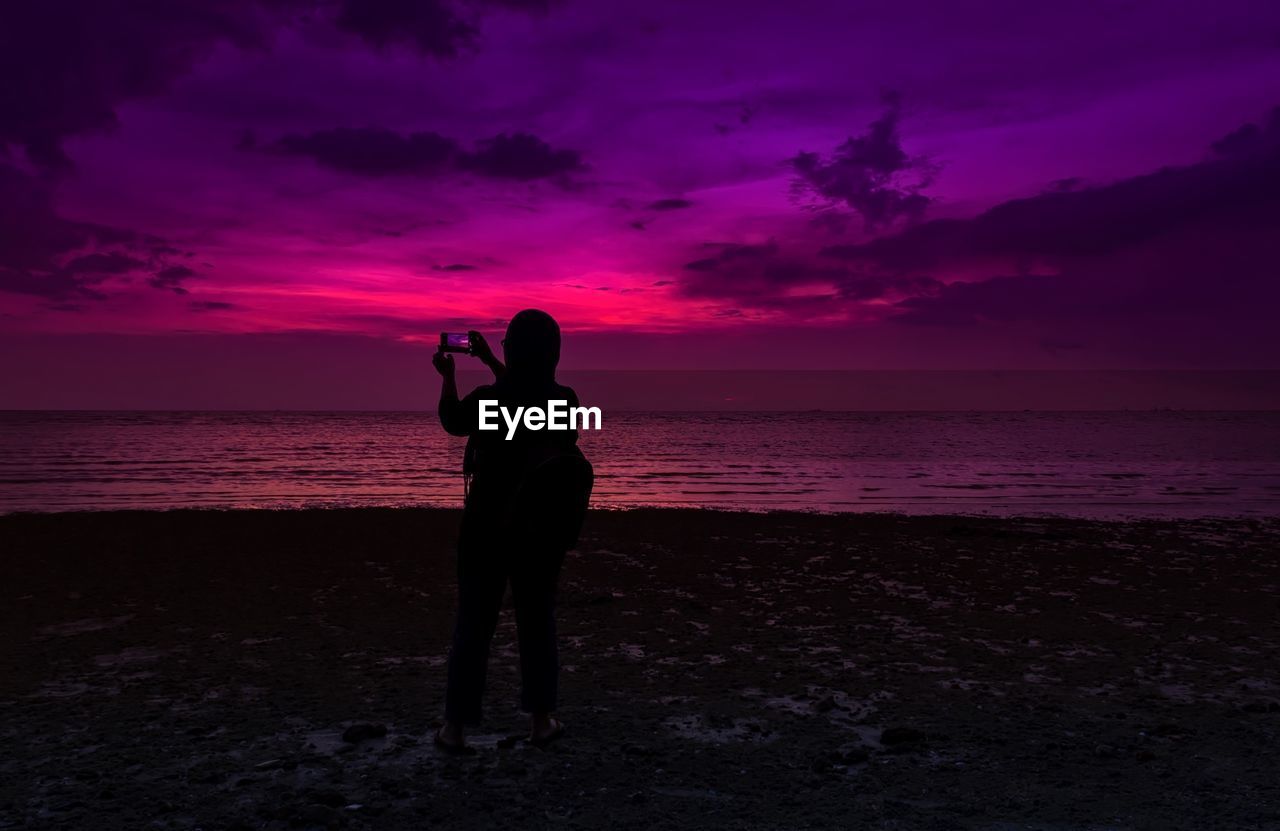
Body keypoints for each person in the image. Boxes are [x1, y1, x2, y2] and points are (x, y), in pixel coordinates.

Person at [430, 310, 593, 754]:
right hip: (539, 532)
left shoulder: (488, 399)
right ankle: (541, 722)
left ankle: (455, 729)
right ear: (553, 353)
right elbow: (526, 401)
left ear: (512, 351)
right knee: (537, 623)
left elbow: (453, 418)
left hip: (485, 529)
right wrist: (489, 363)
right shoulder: (565, 400)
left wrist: (449, 374)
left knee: (474, 625)